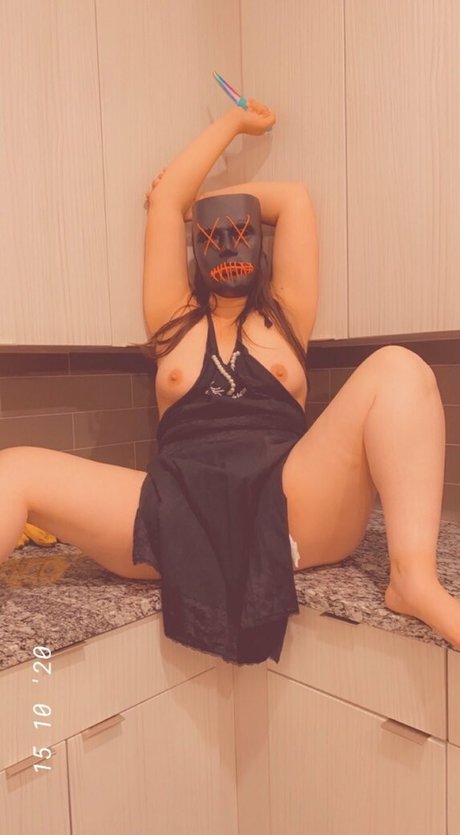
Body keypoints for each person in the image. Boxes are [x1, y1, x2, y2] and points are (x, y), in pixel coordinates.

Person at [0, 100, 457, 663]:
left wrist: (205, 200)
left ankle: (415, 581)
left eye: (240, 230)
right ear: (195, 246)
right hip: (177, 510)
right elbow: (165, 203)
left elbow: (293, 200)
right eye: (211, 233)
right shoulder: (172, 318)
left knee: (400, 366)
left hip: (289, 504)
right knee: (14, 468)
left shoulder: (286, 315)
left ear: (260, 243)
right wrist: (231, 125)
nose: (227, 243)